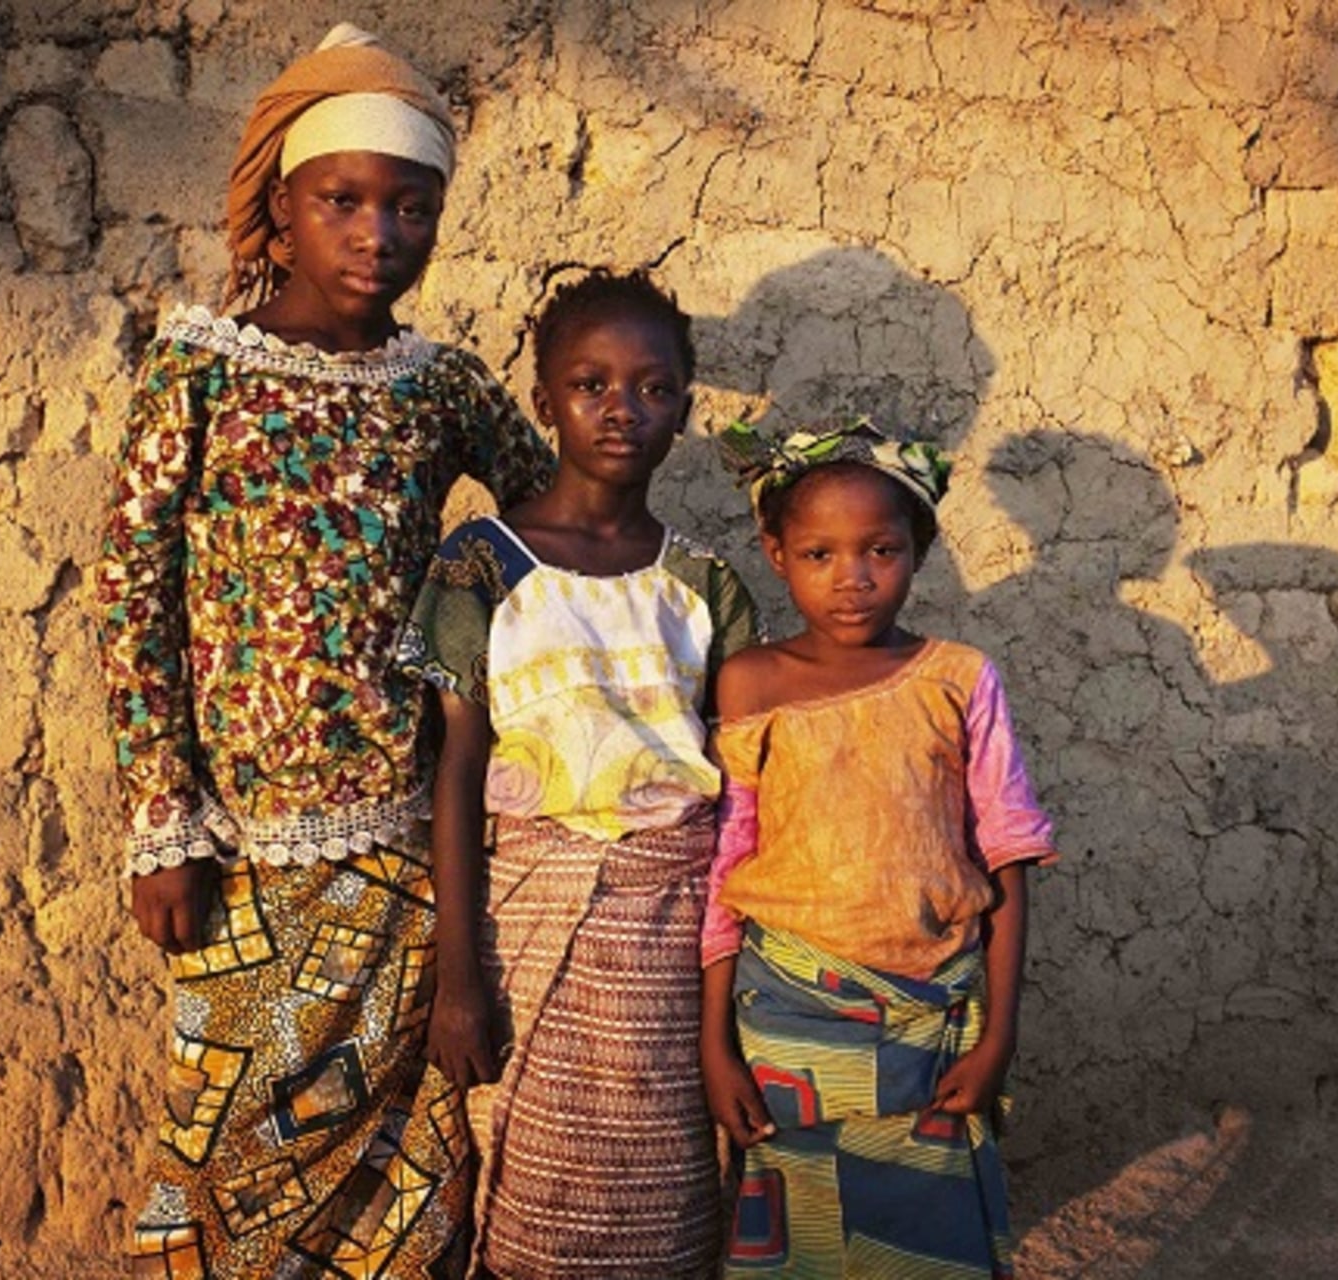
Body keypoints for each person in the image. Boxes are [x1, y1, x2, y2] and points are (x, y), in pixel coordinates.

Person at [95, 24, 555, 1278]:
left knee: (400, 1137)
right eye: (343, 201)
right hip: (243, 847)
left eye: (412, 206)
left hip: (410, 842)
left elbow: (557, 519)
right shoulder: (199, 368)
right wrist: (163, 818)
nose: (379, 233)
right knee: (230, 1125)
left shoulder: (440, 386)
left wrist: (489, 616)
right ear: (279, 211)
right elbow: (133, 595)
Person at [399, 268, 759, 1278]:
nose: (621, 409)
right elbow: (460, 770)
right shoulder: (483, 564)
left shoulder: (702, 584)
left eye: (652, 387)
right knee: (533, 1187)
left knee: (668, 1180)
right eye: (591, 383)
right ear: (544, 396)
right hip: (529, 921)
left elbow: (737, 786)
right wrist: (461, 977)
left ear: (684, 407)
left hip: (671, 931)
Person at [699, 420, 1056, 1277]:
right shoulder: (752, 681)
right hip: (789, 1014)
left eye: (880, 551)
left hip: (929, 1018)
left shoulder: (959, 677)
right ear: (776, 553)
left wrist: (997, 1035)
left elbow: (1007, 857)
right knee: (802, 1237)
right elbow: (726, 868)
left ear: (918, 551)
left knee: (929, 1239)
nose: (852, 579)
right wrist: (716, 1044)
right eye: (820, 554)